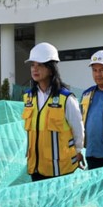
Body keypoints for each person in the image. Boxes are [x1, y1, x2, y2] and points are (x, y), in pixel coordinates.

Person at [22, 42, 84, 181]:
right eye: (33, 65)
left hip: (60, 168)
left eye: (40, 65)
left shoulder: (66, 98)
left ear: (51, 69)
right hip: (36, 167)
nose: (35, 69)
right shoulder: (28, 97)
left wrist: (78, 151)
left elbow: (78, 129)